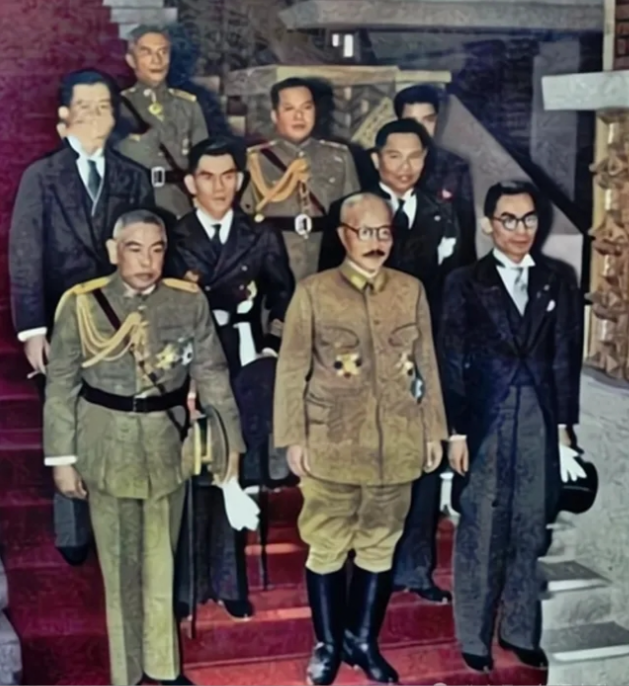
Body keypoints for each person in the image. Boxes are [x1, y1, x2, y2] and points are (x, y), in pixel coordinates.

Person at [43, 209, 246, 686]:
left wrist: (230, 445)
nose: (147, 261)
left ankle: (163, 667)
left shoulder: (187, 302)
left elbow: (213, 375)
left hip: (164, 443)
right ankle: (127, 672)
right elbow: (61, 385)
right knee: (119, 566)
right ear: (113, 251)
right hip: (105, 442)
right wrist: (62, 459)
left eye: (157, 250)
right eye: (134, 249)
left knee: (161, 559)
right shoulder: (82, 304)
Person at [274, 192, 448, 685]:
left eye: (384, 232)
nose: (376, 242)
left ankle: (362, 640)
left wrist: (433, 429)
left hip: (396, 441)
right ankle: (328, 645)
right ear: (343, 235)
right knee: (326, 543)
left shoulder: (410, 290)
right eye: (365, 232)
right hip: (331, 440)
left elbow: (426, 364)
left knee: (380, 544)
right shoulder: (314, 292)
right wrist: (293, 437)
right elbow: (291, 369)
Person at [319, 118, 469, 603]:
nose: (406, 167)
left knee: (420, 459)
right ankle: (356, 571)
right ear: (376, 158)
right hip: (361, 358)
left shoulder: (442, 214)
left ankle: (414, 568)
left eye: (415, 156)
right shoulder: (352, 211)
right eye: (395, 156)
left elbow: (456, 291)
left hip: (420, 354)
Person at [9, 68, 154, 567]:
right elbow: (25, 256)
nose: (95, 117)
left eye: (104, 107)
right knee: (66, 418)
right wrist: (32, 330)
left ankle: (119, 515)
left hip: (121, 323)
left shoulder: (133, 177)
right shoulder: (42, 176)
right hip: (62, 320)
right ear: (64, 116)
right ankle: (73, 529)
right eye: (84, 107)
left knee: (118, 417)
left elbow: (148, 253)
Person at [439, 181, 584, 672]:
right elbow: (452, 359)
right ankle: (474, 637)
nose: (520, 229)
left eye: (528, 219)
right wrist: (456, 431)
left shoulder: (557, 280)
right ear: (488, 225)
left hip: (538, 418)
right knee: (482, 528)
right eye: (508, 219)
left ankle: (519, 630)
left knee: (529, 527)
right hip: (486, 420)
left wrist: (563, 429)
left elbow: (564, 358)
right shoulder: (464, 282)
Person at [166, 137, 294, 619]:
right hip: (189, 359)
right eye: (207, 177)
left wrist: (270, 347)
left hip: (242, 353)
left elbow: (283, 293)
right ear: (190, 183)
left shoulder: (259, 234)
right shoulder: (174, 236)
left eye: (227, 176)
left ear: (239, 180)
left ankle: (228, 580)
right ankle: (188, 584)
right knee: (195, 463)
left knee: (233, 461)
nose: (218, 187)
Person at [240, 77, 360, 282]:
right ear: (275, 115)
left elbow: (355, 216)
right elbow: (244, 221)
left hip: (327, 260)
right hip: (275, 263)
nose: (299, 116)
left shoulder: (340, 157)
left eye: (306, 107)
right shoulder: (256, 160)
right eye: (289, 109)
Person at [117, 24, 209, 219]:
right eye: (147, 53)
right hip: (133, 204)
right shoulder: (118, 107)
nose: (157, 60)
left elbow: (204, 162)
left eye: (163, 52)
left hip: (179, 205)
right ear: (131, 60)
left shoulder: (188, 106)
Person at [394, 84, 477, 264]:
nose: (421, 129)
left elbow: (466, 229)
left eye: (428, 120)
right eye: (412, 121)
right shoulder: (382, 163)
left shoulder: (455, 166)